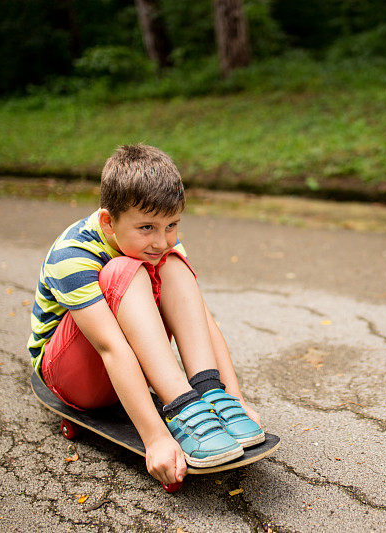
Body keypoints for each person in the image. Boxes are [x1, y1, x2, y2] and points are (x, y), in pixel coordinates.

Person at [27, 143, 263, 486]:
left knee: (173, 265)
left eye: (172, 225)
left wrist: (235, 399)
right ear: (109, 222)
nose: (162, 239)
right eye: (147, 228)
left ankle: (210, 394)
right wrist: (155, 438)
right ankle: (183, 406)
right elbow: (111, 347)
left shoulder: (161, 245)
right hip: (73, 374)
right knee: (124, 270)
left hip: (131, 362)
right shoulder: (72, 253)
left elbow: (202, 320)